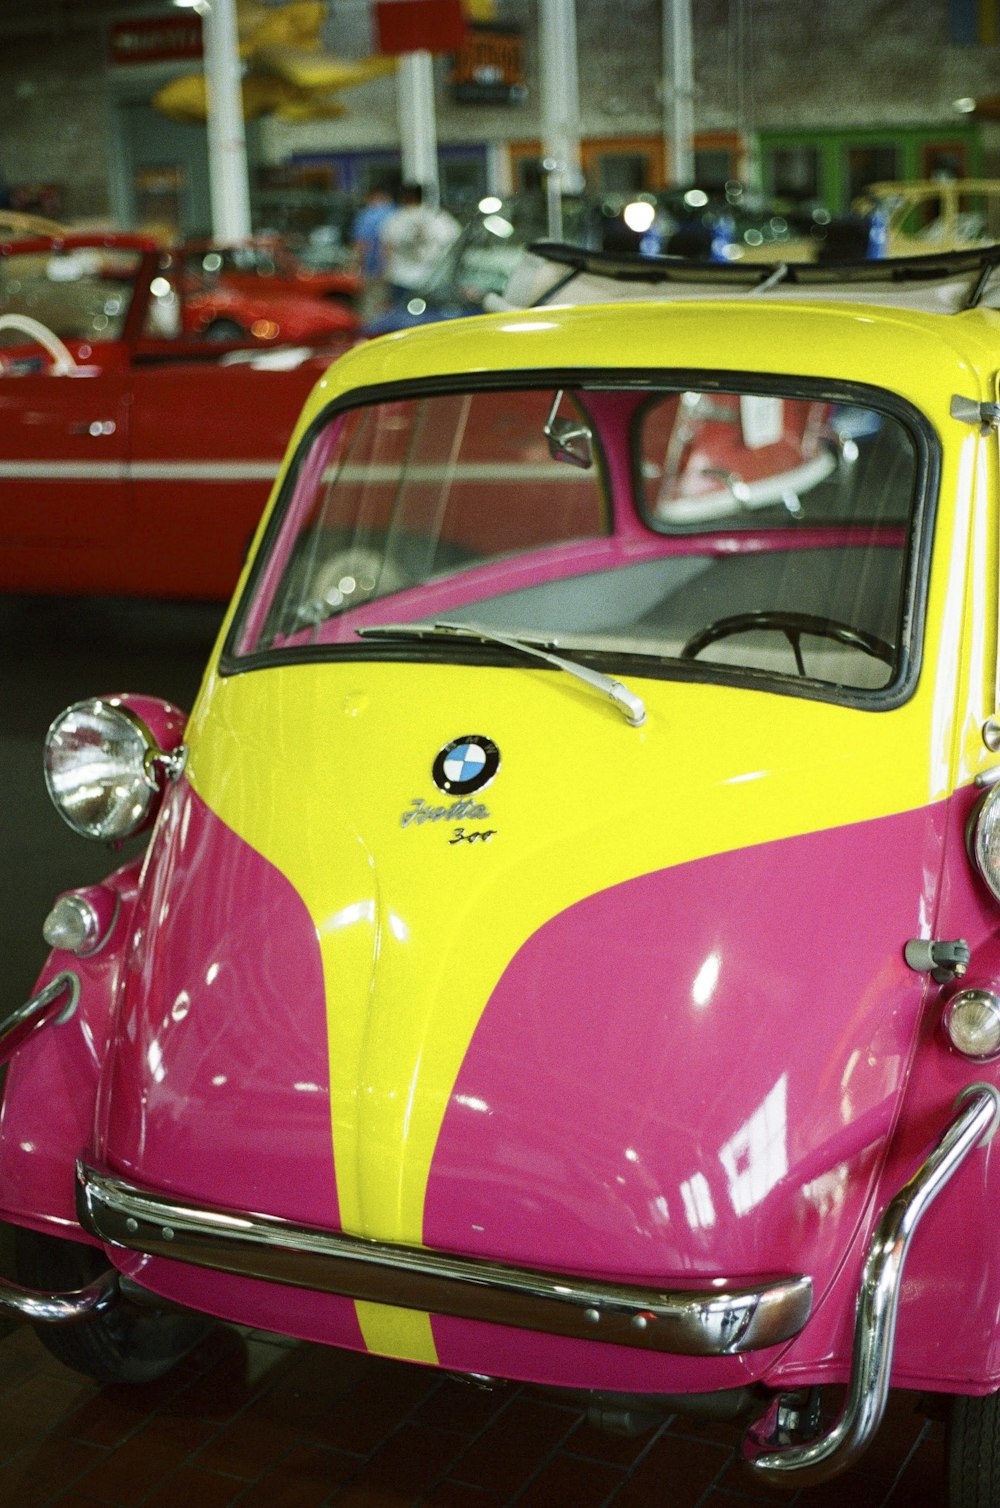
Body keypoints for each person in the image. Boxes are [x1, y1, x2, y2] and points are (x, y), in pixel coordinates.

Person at [381, 182, 460, 301]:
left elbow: (387, 248)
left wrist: (387, 274)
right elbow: (455, 241)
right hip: (432, 278)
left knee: (403, 317)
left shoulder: (396, 219)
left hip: (402, 278)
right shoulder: (439, 217)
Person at [350, 182, 396, 318]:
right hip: (397, 272)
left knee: (371, 308)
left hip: (373, 268)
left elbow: (361, 244)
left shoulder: (367, 215)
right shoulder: (397, 213)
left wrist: (358, 266)